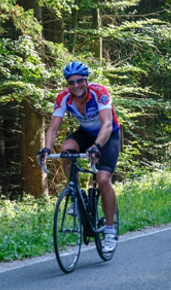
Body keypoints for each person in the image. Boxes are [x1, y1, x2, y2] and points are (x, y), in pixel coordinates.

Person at [38, 61, 121, 253]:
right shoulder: (63, 98)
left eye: (80, 81)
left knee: (102, 179)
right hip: (85, 133)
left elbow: (107, 124)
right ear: (67, 84)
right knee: (67, 149)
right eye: (71, 82)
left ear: (86, 80)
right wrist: (46, 149)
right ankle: (75, 194)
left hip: (108, 135)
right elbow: (53, 128)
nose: (76, 86)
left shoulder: (99, 93)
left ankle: (109, 231)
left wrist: (97, 147)